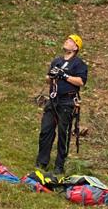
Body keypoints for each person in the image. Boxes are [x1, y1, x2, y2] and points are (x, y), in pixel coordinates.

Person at [36, 34, 88, 175]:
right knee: (46, 130)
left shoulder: (78, 64)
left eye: (70, 40)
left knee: (63, 133)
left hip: (67, 102)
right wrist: (51, 76)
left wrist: (64, 76)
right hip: (53, 100)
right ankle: (42, 162)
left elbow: (81, 82)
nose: (67, 41)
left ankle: (59, 165)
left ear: (76, 47)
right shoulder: (57, 61)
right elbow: (48, 78)